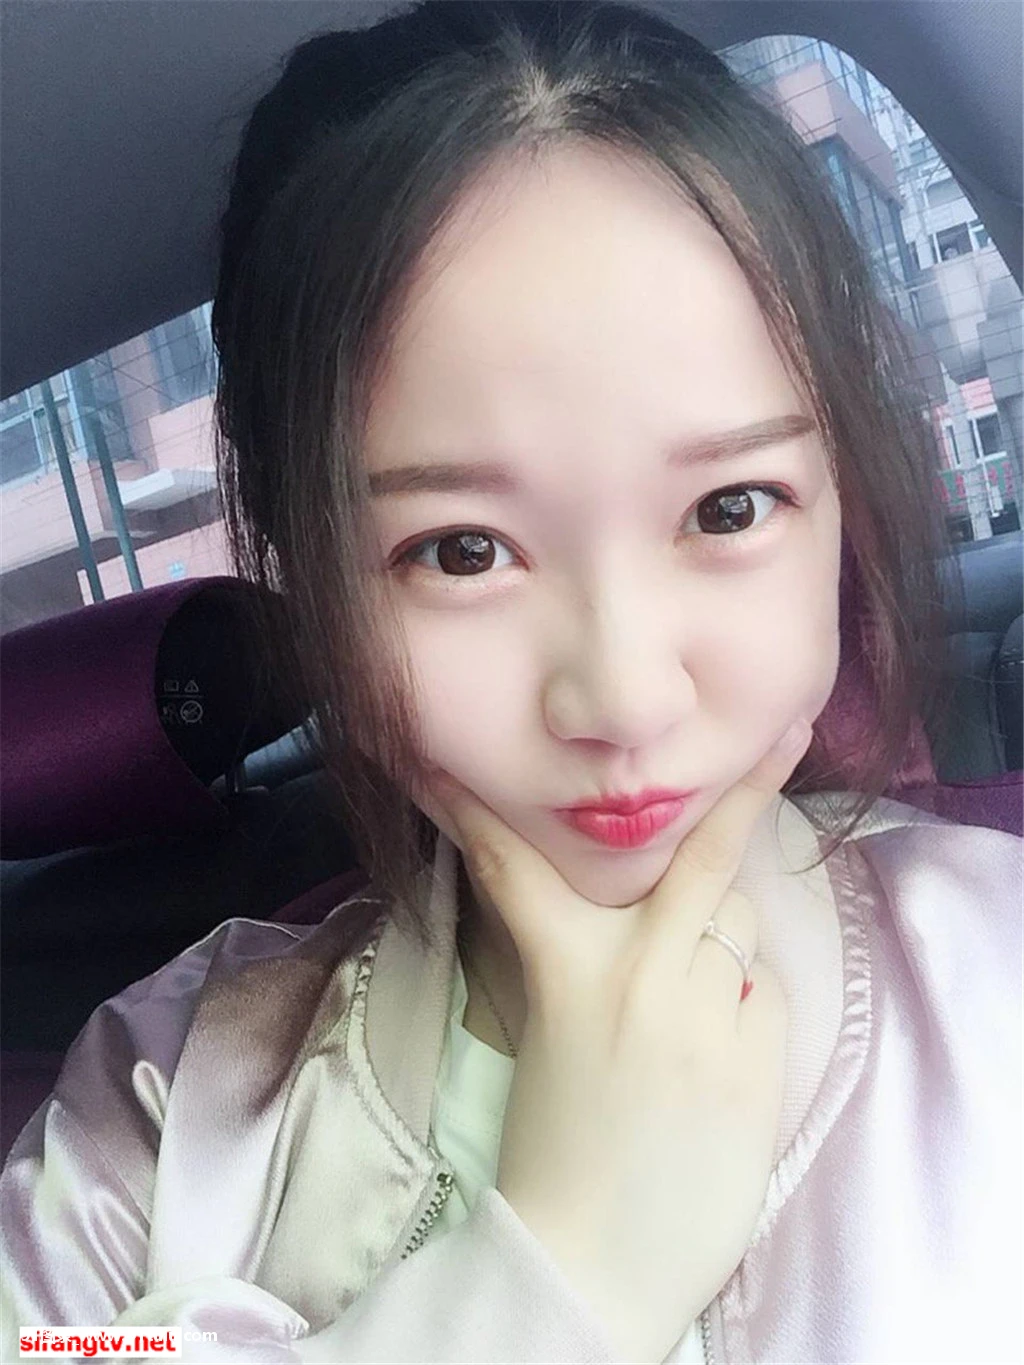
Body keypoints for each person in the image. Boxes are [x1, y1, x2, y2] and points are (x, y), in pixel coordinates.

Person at [2, 3, 1021, 1361]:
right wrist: (561, 1278)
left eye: (729, 509)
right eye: (463, 551)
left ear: (840, 496)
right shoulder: (149, 1122)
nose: (626, 698)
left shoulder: (1001, 965)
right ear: (308, 562)